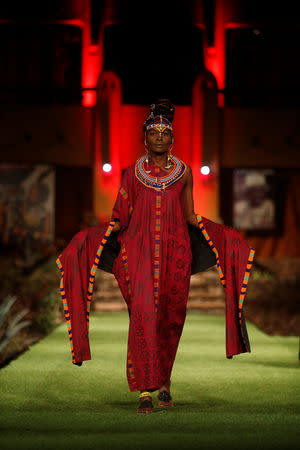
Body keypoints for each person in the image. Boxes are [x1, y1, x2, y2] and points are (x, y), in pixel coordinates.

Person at [56, 99, 255, 414]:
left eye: (165, 131)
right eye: (153, 131)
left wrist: (225, 237)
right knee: (144, 317)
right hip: (138, 253)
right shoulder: (132, 173)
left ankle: (165, 384)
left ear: (172, 138)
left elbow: (190, 215)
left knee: (170, 320)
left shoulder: (184, 173)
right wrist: (89, 238)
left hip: (177, 253)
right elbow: (121, 215)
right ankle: (144, 390)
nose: (159, 136)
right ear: (144, 138)